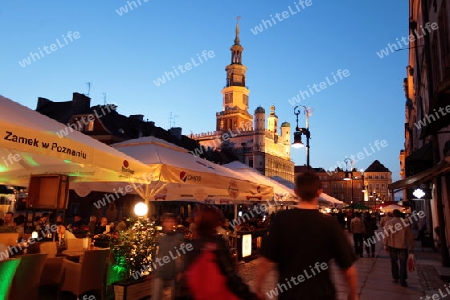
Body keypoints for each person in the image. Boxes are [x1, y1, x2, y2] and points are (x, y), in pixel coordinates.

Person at [256, 172, 357, 300]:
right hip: (323, 295)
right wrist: (352, 293)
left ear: (296, 191)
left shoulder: (282, 219)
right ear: (319, 192)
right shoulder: (330, 223)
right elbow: (348, 267)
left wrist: (258, 288)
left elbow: (266, 260)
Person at [181, 205, 258, 300]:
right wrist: (250, 296)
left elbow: (185, 281)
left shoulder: (191, 246)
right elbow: (231, 276)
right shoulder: (218, 244)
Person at [152, 213, 185, 300]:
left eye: (172, 221)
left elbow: (182, 256)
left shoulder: (179, 238)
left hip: (172, 275)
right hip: (160, 273)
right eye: (167, 221)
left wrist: (181, 271)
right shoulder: (162, 238)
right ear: (163, 224)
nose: (170, 224)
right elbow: (158, 254)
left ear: (175, 223)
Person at [383, 209, 415, 287]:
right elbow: (410, 235)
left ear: (393, 214)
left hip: (392, 245)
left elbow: (386, 234)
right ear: (400, 214)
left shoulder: (389, 223)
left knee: (394, 262)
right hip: (403, 245)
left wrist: (385, 244)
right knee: (403, 263)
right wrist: (412, 246)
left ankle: (396, 277)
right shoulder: (405, 223)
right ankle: (403, 279)